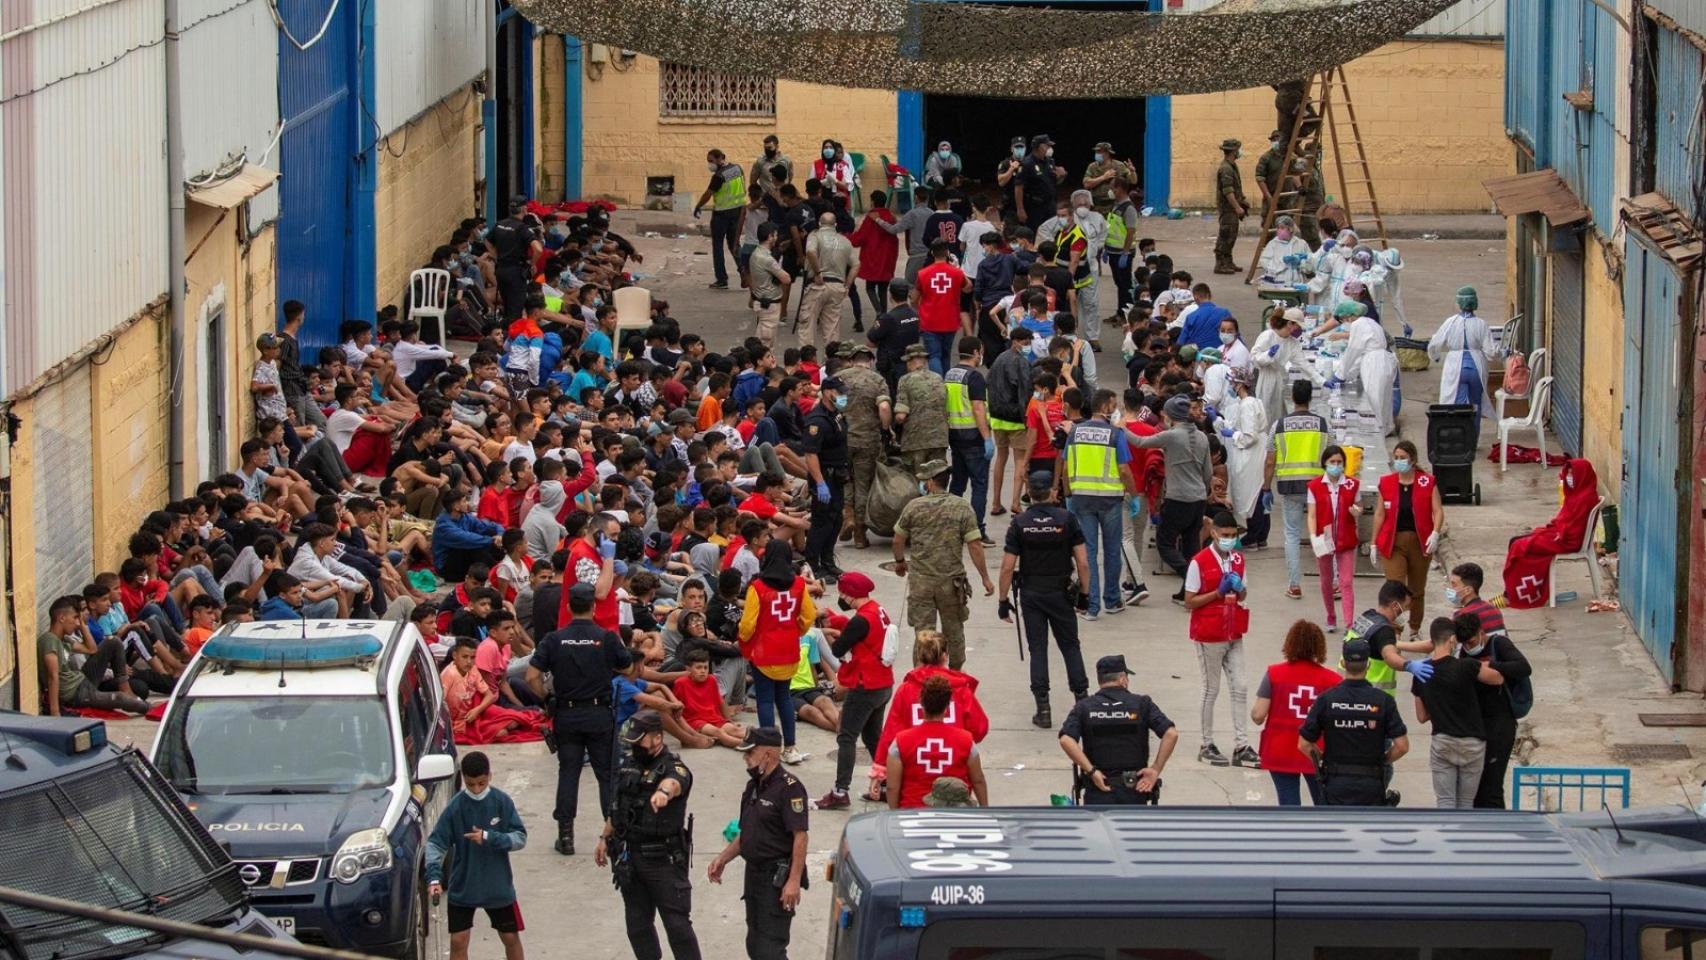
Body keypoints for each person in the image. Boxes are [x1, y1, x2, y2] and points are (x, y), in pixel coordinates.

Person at [525, 582, 633, 856]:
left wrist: (547, 699)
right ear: (594, 607)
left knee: (568, 773)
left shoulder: (554, 639)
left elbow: (532, 677)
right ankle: (613, 836)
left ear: (569, 607)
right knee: (607, 776)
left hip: (567, 714)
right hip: (598, 714)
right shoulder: (606, 637)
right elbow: (629, 667)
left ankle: (566, 836)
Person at [597, 711, 703, 960]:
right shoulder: (629, 764)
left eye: (639, 741)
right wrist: (604, 838)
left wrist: (663, 793)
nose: (634, 746)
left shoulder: (673, 767)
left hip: (662, 860)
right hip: (629, 858)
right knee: (637, 925)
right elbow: (618, 806)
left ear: (657, 738)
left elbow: (675, 782)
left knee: (677, 926)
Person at [707, 728, 809, 960]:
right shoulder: (753, 787)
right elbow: (746, 833)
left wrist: (793, 881)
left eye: (751, 753)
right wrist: (723, 858)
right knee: (754, 942)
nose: (746, 759)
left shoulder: (790, 788)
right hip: (753, 876)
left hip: (776, 879)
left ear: (768, 755)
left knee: (770, 949)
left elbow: (800, 836)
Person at [999, 471, 1090, 727]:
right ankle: (1082, 702)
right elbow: (1083, 562)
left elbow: (1007, 567)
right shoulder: (1067, 519)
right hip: (1061, 591)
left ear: (1029, 492)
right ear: (1052, 491)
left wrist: (1002, 600)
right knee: (1070, 646)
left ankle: (1044, 710)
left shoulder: (1019, 524)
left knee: (1038, 649)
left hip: (1032, 593)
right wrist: (1084, 595)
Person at [893, 459, 994, 670]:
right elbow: (975, 545)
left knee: (923, 634)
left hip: (921, 582)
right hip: (952, 583)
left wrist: (900, 562)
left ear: (930, 482)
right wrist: (985, 577)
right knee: (954, 632)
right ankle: (955, 674)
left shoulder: (914, 506)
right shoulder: (962, 507)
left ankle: (921, 677)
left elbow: (898, 539)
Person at [426, 751, 527, 960]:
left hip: (498, 886)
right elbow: (436, 843)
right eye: (471, 784)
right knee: (458, 941)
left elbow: (519, 838)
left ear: (489, 776)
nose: (476, 789)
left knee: (510, 937)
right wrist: (434, 877)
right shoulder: (455, 807)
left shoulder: (502, 802)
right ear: (463, 779)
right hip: (463, 887)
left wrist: (491, 837)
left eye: (481, 783)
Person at [871, 630, 990, 799]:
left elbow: (891, 732)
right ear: (945, 656)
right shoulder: (960, 689)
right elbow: (979, 729)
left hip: (914, 779)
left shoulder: (906, 689)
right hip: (955, 781)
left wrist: (879, 771)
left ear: (919, 657)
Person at [1297, 638, 1409, 806]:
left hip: (1336, 784)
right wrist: (1382, 760)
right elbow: (1402, 746)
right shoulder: (1383, 701)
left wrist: (1324, 759)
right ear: (1368, 664)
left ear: (1343, 662)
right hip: (1371, 784)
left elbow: (1304, 744)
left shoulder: (1327, 700)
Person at [1183, 511, 1256, 768]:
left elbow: (1244, 593)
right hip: (1209, 634)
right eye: (1225, 535)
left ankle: (1242, 745)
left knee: (1241, 686)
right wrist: (1217, 592)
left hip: (1234, 631)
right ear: (1213, 532)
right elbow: (1189, 601)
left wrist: (1238, 587)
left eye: (1234, 536)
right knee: (1211, 689)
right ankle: (1206, 743)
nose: (1230, 540)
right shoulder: (1199, 562)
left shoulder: (1238, 559)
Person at [818, 572, 896, 810]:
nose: (841, 596)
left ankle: (840, 790)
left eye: (842, 593)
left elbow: (840, 648)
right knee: (873, 738)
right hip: (883, 684)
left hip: (864, 686)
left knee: (846, 736)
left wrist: (828, 634)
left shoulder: (860, 621)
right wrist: (838, 620)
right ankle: (885, 785)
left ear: (850, 595)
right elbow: (862, 632)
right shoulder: (877, 610)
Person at [1059, 654, 1179, 805]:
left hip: (1098, 789)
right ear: (1122, 679)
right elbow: (1171, 734)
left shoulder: (1084, 706)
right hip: (1135, 790)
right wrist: (1155, 769)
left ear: (1100, 680)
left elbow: (1065, 739)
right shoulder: (1142, 704)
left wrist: (1092, 771)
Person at [1412, 616, 1503, 809]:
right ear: (1452, 640)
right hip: (1473, 744)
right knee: (1466, 803)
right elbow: (1498, 679)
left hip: (1443, 742)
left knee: (1445, 802)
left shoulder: (1421, 673)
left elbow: (1421, 717)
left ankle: (1446, 836)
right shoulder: (1467, 666)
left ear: (1432, 641)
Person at [738, 540, 816, 765]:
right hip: (789, 650)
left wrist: (743, 640)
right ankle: (790, 748)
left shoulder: (758, 588)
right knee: (784, 698)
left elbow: (748, 625)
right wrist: (795, 630)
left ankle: (768, 749)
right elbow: (808, 616)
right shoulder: (799, 584)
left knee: (765, 700)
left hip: (764, 653)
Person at [1129, 395, 1213, 597]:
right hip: (1198, 498)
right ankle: (1187, 591)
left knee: (1165, 543)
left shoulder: (1171, 435)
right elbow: (1208, 472)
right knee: (1191, 544)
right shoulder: (1202, 436)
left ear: (1172, 415)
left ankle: (1190, 575)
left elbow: (1140, 442)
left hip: (1177, 498)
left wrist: (1121, 428)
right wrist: (1205, 490)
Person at [1252, 620, 1342, 805]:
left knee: (1288, 805)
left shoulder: (1274, 673)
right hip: (1316, 752)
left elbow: (1258, 715)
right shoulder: (1333, 680)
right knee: (1324, 804)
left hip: (1280, 750)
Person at [1063, 388, 1135, 620]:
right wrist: (1133, 495)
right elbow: (1124, 469)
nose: (1116, 411)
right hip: (1110, 501)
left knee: (1088, 553)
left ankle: (1091, 606)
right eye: (1114, 406)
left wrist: (1068, 494)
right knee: (1112, 551)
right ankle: (1112, 600)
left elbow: (1065, 467)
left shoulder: (1074, 433)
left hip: (1082, 500)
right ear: (1105, 408)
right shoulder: (1116, 435)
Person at [1371, 440, 1445, 641]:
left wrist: (1435, 533)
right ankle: (1394, 629)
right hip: (1393, 542)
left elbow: (1437, 511)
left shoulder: (1427, 482)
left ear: (1412, 460)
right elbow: (1379, 514)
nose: (1399, 461)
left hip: (1420, 541)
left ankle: (1414, 628)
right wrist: (1373, 542)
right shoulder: (1386, 483)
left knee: (1416, 589)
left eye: (1403, 458)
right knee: (1394, 587)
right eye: (1396, 458)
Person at [1502, 458, 1600, 607]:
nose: (1569, 477)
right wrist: (1554, 528)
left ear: (1582, 474)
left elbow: (1574, 529)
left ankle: (1515, 596)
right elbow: (1564, 519)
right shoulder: (1576, 493)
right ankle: (1510, 592)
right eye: (1568, 473)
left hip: (1568, 541)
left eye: (1573, 474)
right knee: (1515, 540)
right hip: (1560, 534)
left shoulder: (1585, 498)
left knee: (1520, 546)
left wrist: (1557, 532)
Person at [1458, 609, 1531, 809]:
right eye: (1464, 643)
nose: (1468, 647)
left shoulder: (1499, 644)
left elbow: (1524, 667)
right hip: (1476, 726)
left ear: (1481, 633)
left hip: (1500, 723)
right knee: (1476, 787)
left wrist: (1492, 666)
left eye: (1471, 642)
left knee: (1492, 785)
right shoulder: (1463, 653)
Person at [886, 674, 989, 809]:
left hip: (913, 813)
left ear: (921, 703)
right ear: (947, 706)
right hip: (956, 813)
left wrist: (895, 815)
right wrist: (985, 810)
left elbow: (892, 787)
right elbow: (978, 780)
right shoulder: (966, 741)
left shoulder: (901, 742)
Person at [38, 594, 150, 716]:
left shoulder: (64, 640)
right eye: (75, 618)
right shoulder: (49, 640)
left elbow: (91, 649)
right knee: (120, 699)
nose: (77, 623)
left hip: (82, 680)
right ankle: (147, 708)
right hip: (76, 694)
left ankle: (125, 688)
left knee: (113, 642)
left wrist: (83, 626)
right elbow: (52, 676)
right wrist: (55, 712)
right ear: (61, 618)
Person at [1269, 379, 1328, 601]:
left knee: (1292, 535)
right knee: (1322, 534)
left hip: (1290, 486)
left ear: (1292, 398)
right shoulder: (1323, 424)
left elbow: (1270, 457)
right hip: (1317, 487)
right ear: (1310, 398)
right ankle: (1332, 583)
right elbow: (1332, 453)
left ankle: (1294, 585)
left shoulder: (1280, 425)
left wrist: (1266, 487)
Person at [837, 342, 892, 550]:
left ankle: (847, 515)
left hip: (842, 439)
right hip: (867, 440)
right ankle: (860, 533)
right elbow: (885, 407)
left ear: (851, 360)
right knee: (863, 483)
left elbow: (834, 404)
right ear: (871, 360)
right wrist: (885, 429)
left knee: (845, 479)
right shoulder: (877, 380)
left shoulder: (841, 378)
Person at [1306, 444, 1362, 632]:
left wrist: (1357, 511)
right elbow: (1312, 514)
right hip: (1324, 539)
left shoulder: (1352, 484)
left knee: (1346, 582)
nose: (1336, 465)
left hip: (1346, 539)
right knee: (1326, 580)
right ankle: (1331, 615)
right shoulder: (1314, 486)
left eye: (1339, 462)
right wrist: (1313, 536)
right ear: (1325, 464)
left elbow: (1359, 506)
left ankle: (1349, 622)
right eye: (1332, 462)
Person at [801, 376, 852, 581]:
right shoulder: (817, 421)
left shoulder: (836, 415)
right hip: (825, 477)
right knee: (822, 521)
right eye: (839, 392)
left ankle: (828, 561)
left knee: (835, 519)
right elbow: (811, 454)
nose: (843, 396)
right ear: (828, 392)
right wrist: (820, 482)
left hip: (837, 476)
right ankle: (813, 565)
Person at [1346, 579, 1434, 695]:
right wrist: (1409, 665)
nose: (1405, 612)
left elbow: (1385, 644)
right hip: (1373, 696)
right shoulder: (1384, 630)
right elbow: (1389, 655)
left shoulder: (1367, 617)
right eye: (1405, 607)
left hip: (1348, 687)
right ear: (1395, 606)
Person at [945, 337, 995, 542]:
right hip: (973, 437)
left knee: (957, 484)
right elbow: (978, 408)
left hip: (955, 436)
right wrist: (987, 438)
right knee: (979, 486)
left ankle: (952, 527)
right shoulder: (974, 377)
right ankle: (976, 531)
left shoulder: (949, 374)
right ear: (975, 352)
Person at [1326, 301, 1399, 437]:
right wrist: (1346, 375)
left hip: (1375, 363)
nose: (1345, 322)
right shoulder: (1370, 322)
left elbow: (1353, 351)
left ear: (1349, 316)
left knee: (1374, 399)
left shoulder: (1358, 324)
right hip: (1384, 360)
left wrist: (1340, 374)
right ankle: (1384, 429)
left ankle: (1376, 433)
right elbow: (1359, 356)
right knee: (1384, 399)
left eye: (1344, 319)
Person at [1427, 285, 1493, 432]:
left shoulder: (1450, 322)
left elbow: (1435, 344)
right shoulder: (1481, 324)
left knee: (1458, 406)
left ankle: (1460, 437)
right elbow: (1491, 351)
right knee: (1476, 405)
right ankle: (1473, 439)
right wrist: (1504, 353)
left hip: (1455, 368)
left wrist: (1435, 357)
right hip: (1477, 368)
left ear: (1459, 303)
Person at [987, 328, 1036, 517]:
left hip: (998, 417)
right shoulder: (1021, 362)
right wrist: (1026, 418)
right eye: (1025, 343)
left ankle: (996, 502)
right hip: (1015, 418)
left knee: (1000, 458)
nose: (1027, 346)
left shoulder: (999, 359)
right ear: (1015, 341)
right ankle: (1016, 502)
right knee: (1020, 461)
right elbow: (1024, 391)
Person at [1216, 369, 1267, 538]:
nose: (1230, 386)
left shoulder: (1247, 405)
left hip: (1251, 454)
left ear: (1239, 384)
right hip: (1254, 453)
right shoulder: (1250, 402)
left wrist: (1234, 435)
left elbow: (1249, 436)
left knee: (1251, 495)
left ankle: (1254, 535)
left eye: (1232, 383)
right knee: (1255, 494)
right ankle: (1258, 536)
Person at [801, 211, 859, 350]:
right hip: (837, 286)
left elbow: (810, 251)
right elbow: (856, 264)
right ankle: (831, 362)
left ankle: (808, 363)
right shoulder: (845, 241)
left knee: (808, 327)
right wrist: (848, 285)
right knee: (832, 329)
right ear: (836, 225)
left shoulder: (815, 236)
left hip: (817, 286)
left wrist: (817, 272)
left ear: (820, 224)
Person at [693, 149, 747, 290]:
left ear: (720, 158)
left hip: (722, 214)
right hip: (738, 211)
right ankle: (743, 271)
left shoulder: (719, 176)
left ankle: (722, 280)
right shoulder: (737, 168)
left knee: (718, 246)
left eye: (711, 161)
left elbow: (708, 194)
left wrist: (698, 206)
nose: (709, 164)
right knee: (734, 244)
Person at [893, 343, 949, 473]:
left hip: (916, 441)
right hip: (939, 439)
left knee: (919, 480)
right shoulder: (938, 378)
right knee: (937, 478)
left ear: (909, 361)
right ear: (925, 360)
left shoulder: (905, 380)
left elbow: (901, 415)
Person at [915, 240, 968, 376]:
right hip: (950, 320)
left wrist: (918, 312)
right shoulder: (956, 273)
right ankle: (946, 383)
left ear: (932, 253)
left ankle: (937, 384)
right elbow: (968, 288)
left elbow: (914, 299)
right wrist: (957, 268)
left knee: (933, 355)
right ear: (947, 252)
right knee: (946, 355)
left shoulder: (923, 273)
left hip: (929, 321)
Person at [1251, 307, 1303, 426]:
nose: (1299, 329)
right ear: (1289, 324)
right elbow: (1254, 358)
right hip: (1266, 380)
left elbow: (1302, 362)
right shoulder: (1268, 336)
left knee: (1279, 415)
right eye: (1297, 326)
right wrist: (1267, 355)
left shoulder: (1291, 342)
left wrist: (1320, 380)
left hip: (1280, 381)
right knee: (1265, 415)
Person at [746, 223, 791, 346]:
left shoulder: (757, 253)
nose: (776, 238)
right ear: (770, 237)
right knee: (766, 341)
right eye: (775, 235)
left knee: (763, 337)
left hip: (762, 300)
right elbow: (786, 279)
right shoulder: (767, 259)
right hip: (769, 303)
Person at [1014, 134, 1065, 230]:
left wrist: (1062, 176)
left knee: (1052, 233)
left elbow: (1054, 183)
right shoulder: (1027, 163)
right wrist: (1020, 209)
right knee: (1036, 234)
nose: (1050, 149)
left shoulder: (1049, 162)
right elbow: (1018, 187)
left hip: (1050, 205)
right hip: (1035, 207)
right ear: (1040, 146)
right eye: (1047, 145)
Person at [1213, 139, 1248, 274]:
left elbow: (1236, 187)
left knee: (1231, 236)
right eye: (1238, 149)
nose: (1239, 152)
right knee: (1225, 235)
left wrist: (1242, 201)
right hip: (1228, 209)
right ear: (1234, 151)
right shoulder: (1226, 168)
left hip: (1232, 208)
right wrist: (1237, 208)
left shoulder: (1232, 166)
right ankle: (1220, 264)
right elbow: (1228, 191)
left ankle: (1228, 261)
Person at [1257, 215, 1312, 285]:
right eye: (1278, 228)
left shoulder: (1301, 244)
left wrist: (1300, 263)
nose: (1279, 230)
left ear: (1291, 229)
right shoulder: (1273, 244)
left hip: (1297, 284)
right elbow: (1264, 261)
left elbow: (1310, 266)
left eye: (1282, 228)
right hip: (1277, 283)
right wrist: (1281, 265)